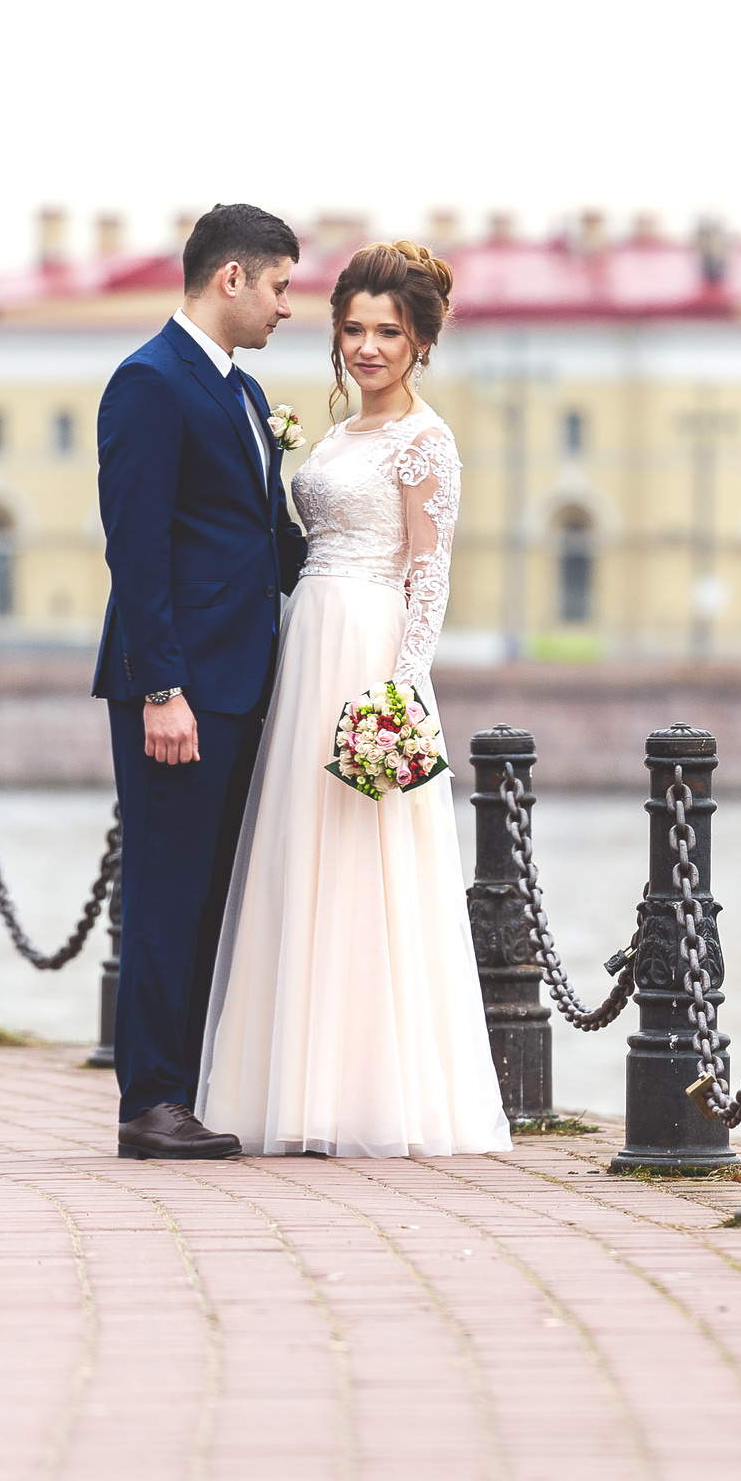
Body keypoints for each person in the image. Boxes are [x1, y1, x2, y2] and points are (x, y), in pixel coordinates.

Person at [197, 242, 510, 1157]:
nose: (369, 347)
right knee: (298, 852)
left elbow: (429, 573)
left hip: (370, 652)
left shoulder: (427, 441)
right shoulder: (333, 436)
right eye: (355, 329)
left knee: (367, 864)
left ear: (420, 343)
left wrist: (402, 692)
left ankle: (371, 1093)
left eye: (390, 332)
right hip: (307, 645)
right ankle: (288, 1084)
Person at [92, 203, 307, 1160]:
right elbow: (136, 553)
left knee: (212, 893)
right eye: (280, 285)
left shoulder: (245, 394)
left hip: (241, 680)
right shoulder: (148, 384)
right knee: (168, 893)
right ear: (232, 279)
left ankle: (185, 1087)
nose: (286, 306)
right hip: (179, 691)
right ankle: (151, 1102)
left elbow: (265, 538)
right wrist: (160, 689)